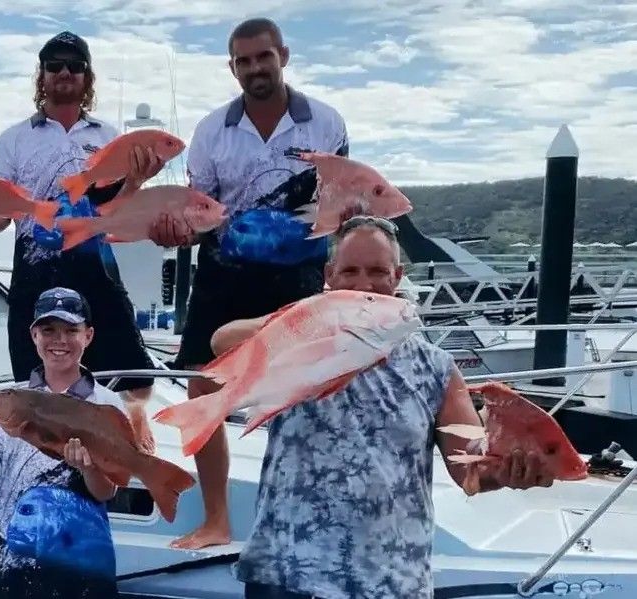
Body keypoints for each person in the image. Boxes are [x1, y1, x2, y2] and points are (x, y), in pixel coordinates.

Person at [208, 215, 557, 598]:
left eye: (377, 272)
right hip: (287, 574)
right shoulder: (296, 342)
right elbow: (222, 342)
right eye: (350, 271)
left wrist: (509, 472)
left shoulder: (436, 368)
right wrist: (308, 319)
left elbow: (470, 471)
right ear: (330, 275)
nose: (363, 284)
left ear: (397, 277)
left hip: (389, 582)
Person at [147, 17, 350, 549]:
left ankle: (310, 517)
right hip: (224, 273)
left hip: (300, 273)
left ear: (283, 55)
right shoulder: (211, 131)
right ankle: (217, 517)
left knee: (308, 393)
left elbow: (340, 203)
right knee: (201, 386)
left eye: (264, 57)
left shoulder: (326, 123)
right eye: (244, 61)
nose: (255, 68)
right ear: (232, 67)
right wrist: (174, 232)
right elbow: (198, 215)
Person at [0, 30, 163, 454]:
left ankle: (133, 426)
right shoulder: (12, 140)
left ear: (87, 76)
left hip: (97, 270)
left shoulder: (109, 136)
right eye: (54, 65)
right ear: (42, 75)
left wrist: (136, 180)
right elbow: (0, 220)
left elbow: (114, 210)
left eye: (75, 66)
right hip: (34, 274)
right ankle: (47, 455)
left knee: (136, 374)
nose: (65, 72)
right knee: (33, 382)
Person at [0, 287, 127, 599]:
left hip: (84, 562)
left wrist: (88, 468)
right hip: (13, 559)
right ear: (33, 335)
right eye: (48, 330)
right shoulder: (11, 398)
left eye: (71, 330)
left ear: (88, 335)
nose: (59, 340)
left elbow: (105, 492)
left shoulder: (106, 403)